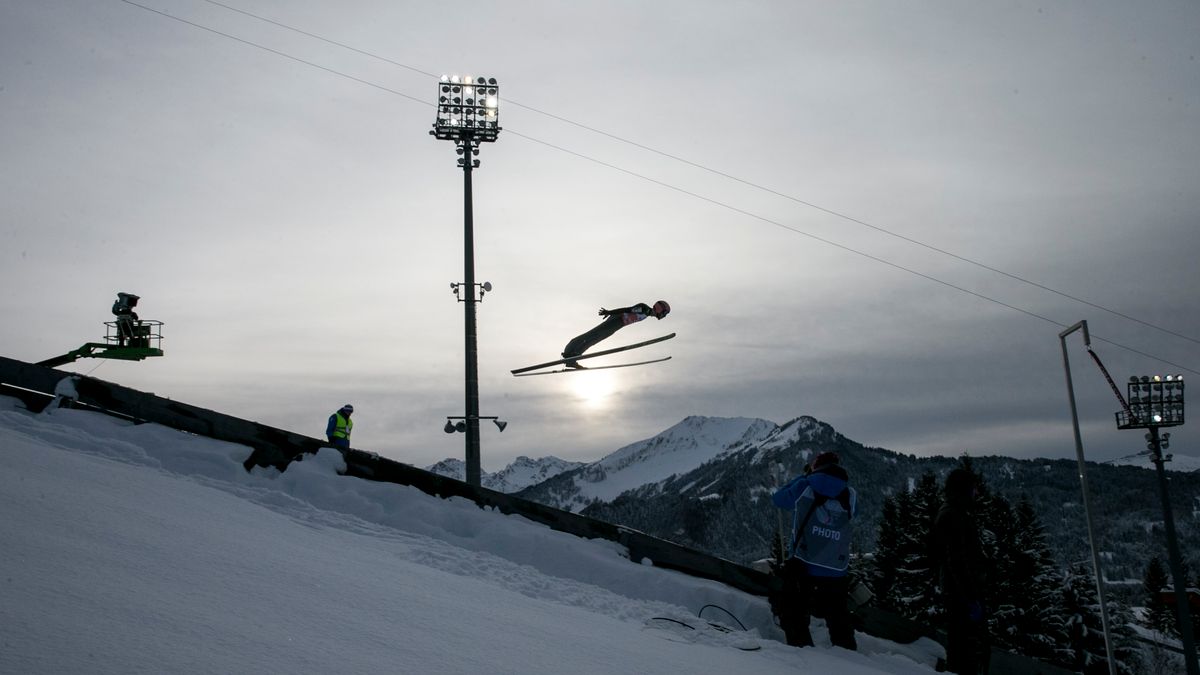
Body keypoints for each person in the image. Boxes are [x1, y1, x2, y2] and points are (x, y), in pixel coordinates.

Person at [771, 451, 858, 650]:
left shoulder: (805, 485)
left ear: (815, 466)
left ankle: (805, 655)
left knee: (793, 612)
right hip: (836, 568)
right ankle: (851, 662)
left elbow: (779, 499)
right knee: (839, 619)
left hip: (804, 563)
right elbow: (855, 513)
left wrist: (805, 476)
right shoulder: (850, 494)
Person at [930, 467, 990, 674]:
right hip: (961, 595)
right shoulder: (953, 516)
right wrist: (970, 596)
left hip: (960, 593)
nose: (977, 493)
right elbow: (956, 561)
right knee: (964, 648)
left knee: (964, 646)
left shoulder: (956, 513)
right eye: (974, 489)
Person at [561, 300, 670, 368]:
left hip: (618, 324)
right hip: (616, 321)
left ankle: (572, 359)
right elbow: (626, 309)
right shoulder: (644, 309)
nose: (664, 315)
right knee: (592, 335)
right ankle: (569, 352)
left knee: (594, 339)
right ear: (660, 309)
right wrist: (608, 312)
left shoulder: (646, 314)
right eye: (664, 313)